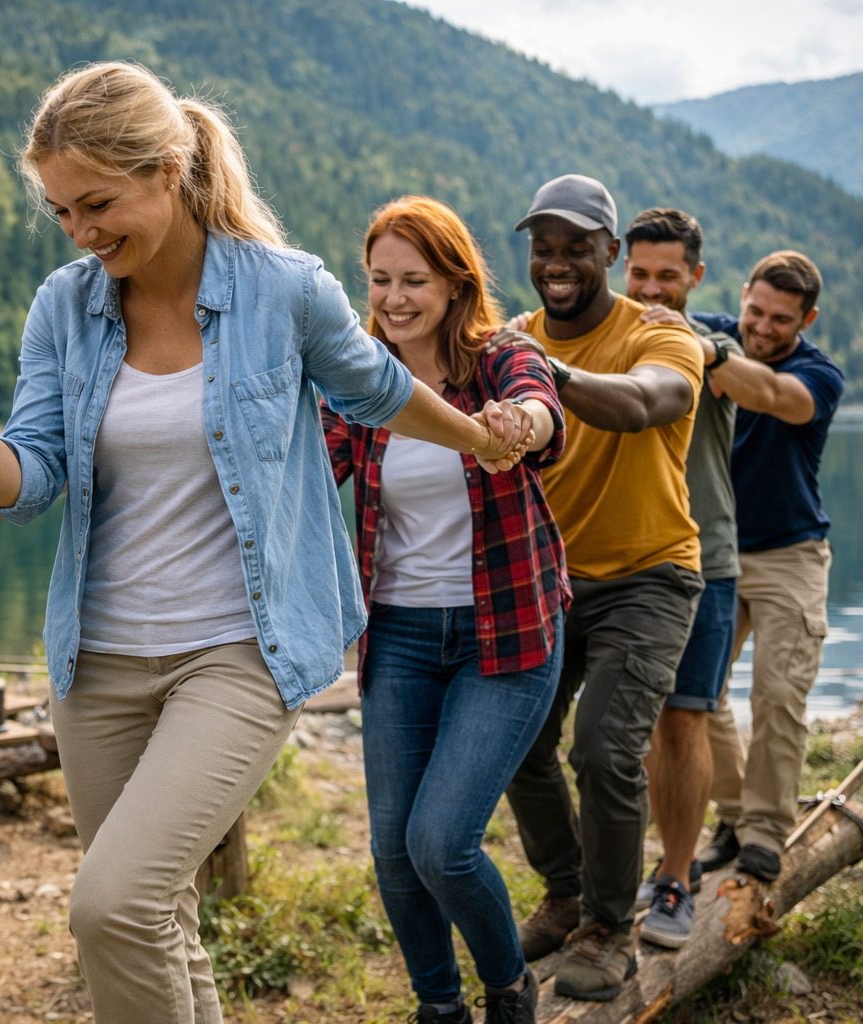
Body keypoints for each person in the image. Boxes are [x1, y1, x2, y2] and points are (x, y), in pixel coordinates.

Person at [0, 63, 529, 1024]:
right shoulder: (66, 304)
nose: (84, 233)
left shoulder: (284, 291)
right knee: (156, 916)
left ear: (170, 169)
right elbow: (26, 483)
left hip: (238, 651)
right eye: (62, 212)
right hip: (96, 663)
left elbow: (375, 390)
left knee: (109, 905)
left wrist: (480, 437)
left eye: (99, 204)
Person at [323, 196, 569, 1024]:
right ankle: (440, 1008)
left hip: (508, 634)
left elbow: (541, 407)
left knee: (441, 843)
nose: (394, 298)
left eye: (414, 280)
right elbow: (306, 469)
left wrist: (518, 425)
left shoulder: (501, 357)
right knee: (394, 853)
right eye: (381, 280)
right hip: (397, 635)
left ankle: (508, 986)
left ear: (456, 283)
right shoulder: (359, 377)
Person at [492, 175, 705, 1001]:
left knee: (606, 748)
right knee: (516, 741)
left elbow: (650, 402)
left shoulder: (661, 336)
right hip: (548, 578)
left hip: (650, 576)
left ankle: (609, 928)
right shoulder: (512, 338)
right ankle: (567, 890)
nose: (557, 262)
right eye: (544, 247)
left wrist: (549, 372)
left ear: (610, 253)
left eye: (577, 246)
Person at [690, 253, 845, 883]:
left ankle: (765, 834)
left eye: (781, 320)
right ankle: (734, 818)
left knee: (779, 696)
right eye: (755, 310)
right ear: (743, 295)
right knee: (699, 696)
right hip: (716, 550)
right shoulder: (712, 330)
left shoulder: (819, 374)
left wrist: (713, 356)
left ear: (805, 319)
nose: (763, 326)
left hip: (791, 555)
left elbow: (777, 396)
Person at [622, 209, 745, 949]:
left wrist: (700, 350)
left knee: (686, 718)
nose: (653, 288)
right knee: (628, 728)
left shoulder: (715, 348)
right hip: (625, 564)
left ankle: (676, 876)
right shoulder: (606, 339)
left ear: (696, 276)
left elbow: (749, 380)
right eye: (640, 274)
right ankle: (636, 873)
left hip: (705, 557)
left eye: (669, 276)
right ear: (621, 269)